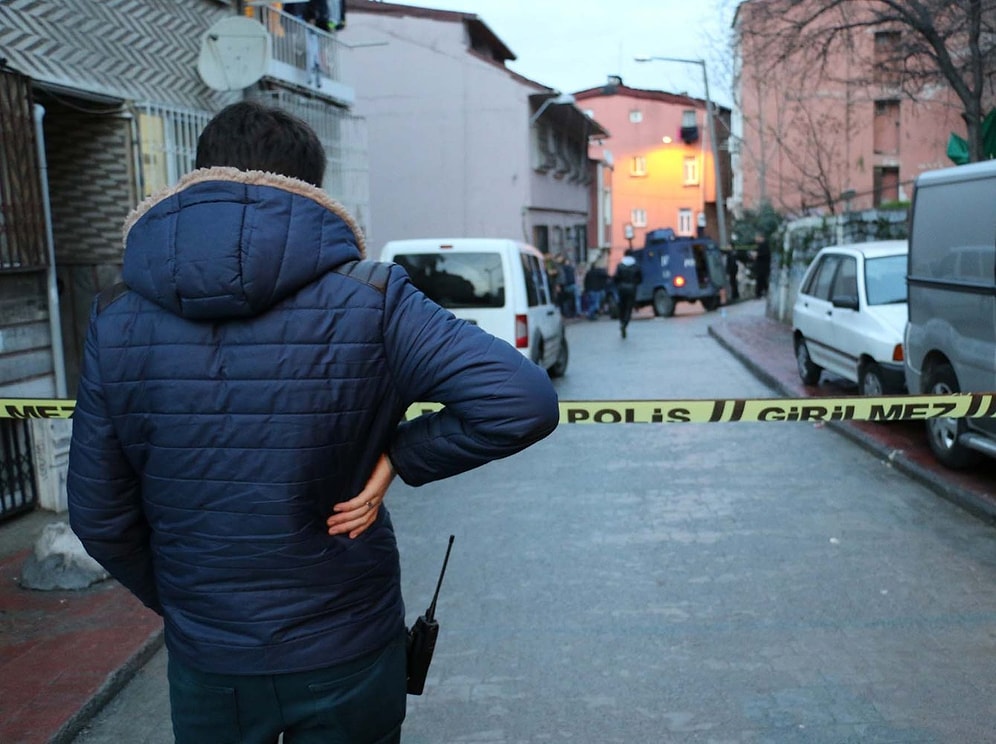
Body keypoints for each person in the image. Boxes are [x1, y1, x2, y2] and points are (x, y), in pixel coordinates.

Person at [66, 101, 559, 744]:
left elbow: (100, 515)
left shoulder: (118, 317)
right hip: (346, 643)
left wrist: (193, 607)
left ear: (198, 178)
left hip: (211, 658)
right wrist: (400, 459)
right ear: (307, 187)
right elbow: (521, 401)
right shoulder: (373, 297)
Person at [612, 249, 643, 338]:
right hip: (632, 288)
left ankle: (621, 322)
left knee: (622, 307)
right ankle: (625, 323)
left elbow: (616, 278)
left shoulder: (620, 266)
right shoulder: (636, 266)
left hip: (621, 289)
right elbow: (640, 278)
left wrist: (618, 284)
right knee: (629, 308)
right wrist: (635, 283)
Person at [753, 232, 772, 299]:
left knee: (761, 280)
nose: (755, 239)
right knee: (762, 280)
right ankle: (763, 293)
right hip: (761, 267)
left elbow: (764, 255)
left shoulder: (764, 245)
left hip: (763, 267)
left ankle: (759, 294)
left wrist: (757, 256)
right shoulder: (761, 245)